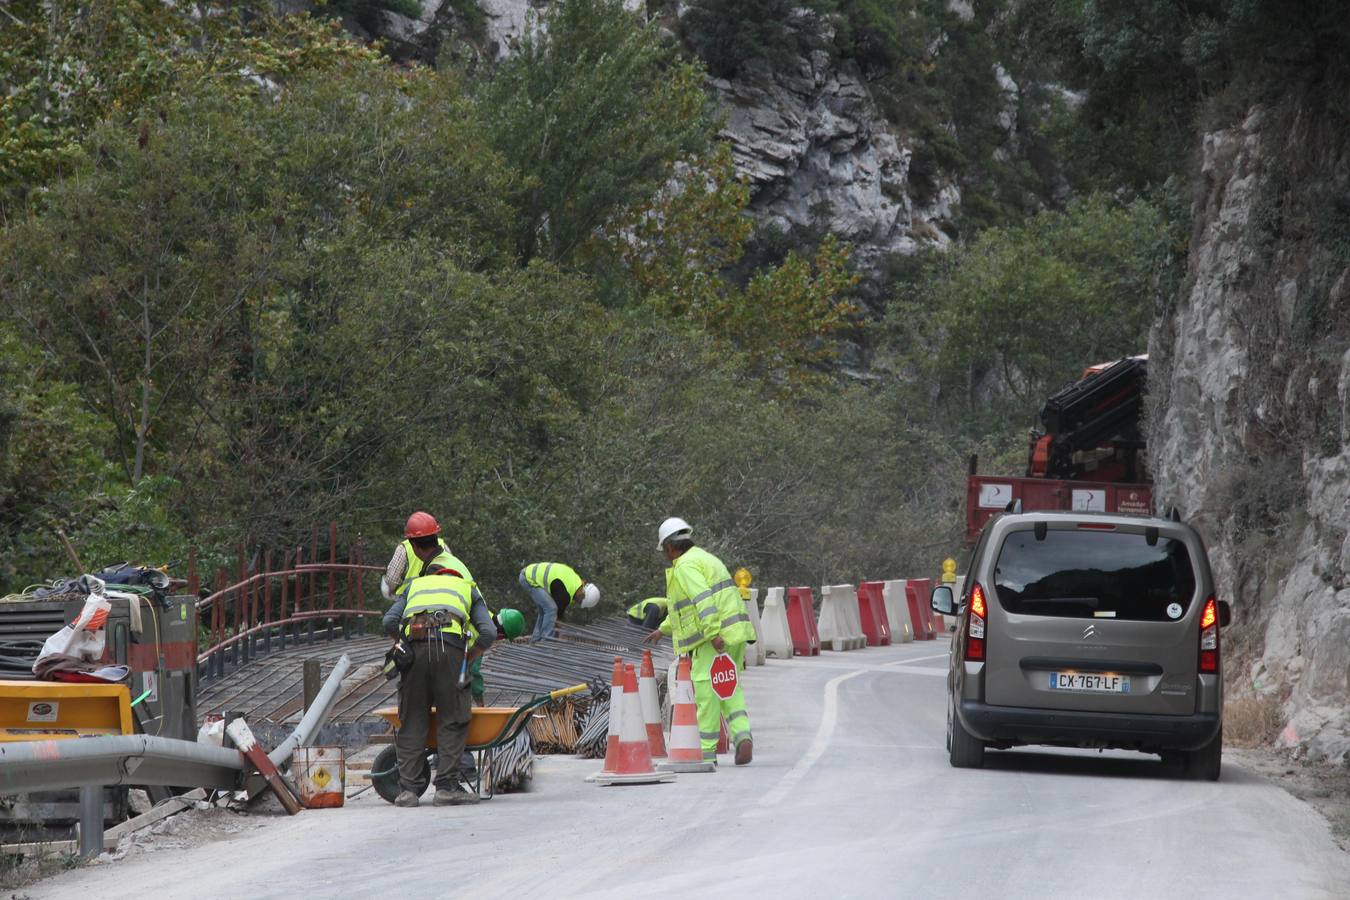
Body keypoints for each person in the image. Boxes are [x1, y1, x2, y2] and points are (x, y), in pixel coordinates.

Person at [382, 534, 494, 808]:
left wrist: (401, 644)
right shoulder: (466, 587)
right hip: (452, 654)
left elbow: (389, 621)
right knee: (453, 718)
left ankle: (407, 791)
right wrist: (471, 655)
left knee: (412, 720)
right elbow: (489, 632)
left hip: (415, 654)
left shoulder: (415, 586)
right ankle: (446, 788)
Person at [644, 517, 754, 766]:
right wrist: (664, 629)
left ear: (671, 547)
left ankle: (706, 751)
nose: (665, 556)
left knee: (706, 692)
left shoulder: (685, 566)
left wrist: (713, 634)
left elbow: (702, 600)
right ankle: (742, 735)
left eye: (665, 551)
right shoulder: (706, 558)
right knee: (728, 685)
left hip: (713, 639)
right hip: (735, 633)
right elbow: (684, 608)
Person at [381, 511, 474, 601]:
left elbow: (392, 580)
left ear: (414, 544)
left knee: (391, 616)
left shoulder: (403, 548)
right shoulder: (444, 546)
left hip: (409, 602)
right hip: (449, 600)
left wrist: (390, 590)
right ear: (435, 535)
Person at [517, 562, 599, 642]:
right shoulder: (565, 593)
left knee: (545, 610)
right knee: (551, 609)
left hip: (528, 573)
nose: (577, 602)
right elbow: (556, 617)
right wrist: (558, 632)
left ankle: (536, 638)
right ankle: (546, 641)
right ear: (583, 594)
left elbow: (557, 617)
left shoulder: (575, 582)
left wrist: (558, 630)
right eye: (580, 601)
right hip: (528, 578)